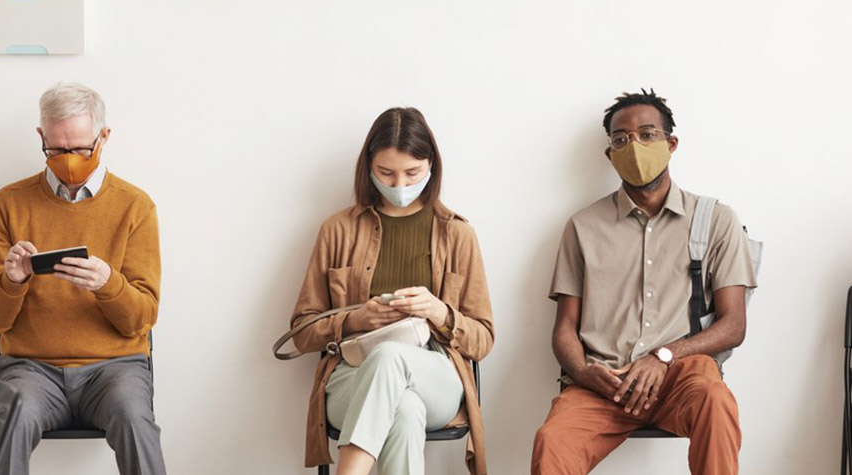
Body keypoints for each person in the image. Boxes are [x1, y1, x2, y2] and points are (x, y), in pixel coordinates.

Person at [531, 89, 757, 475]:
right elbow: (565, 328)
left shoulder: (716, 219)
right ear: (610, 154)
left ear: (670, 144)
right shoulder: (582, 227)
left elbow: (733, 326)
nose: (634, 146)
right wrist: (584, 373)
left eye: (647, 135)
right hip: (605, 380)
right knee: (552, 442)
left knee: (715, 402)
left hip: (680, 375)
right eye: (621, 139)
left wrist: (663, 356)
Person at [0, 82, 166, 475]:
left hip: (115, 370)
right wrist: (12, 281)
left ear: (104, 136)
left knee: (134, 417)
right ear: (41, 137)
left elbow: (142, 318)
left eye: (80, 148)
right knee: (9, 419)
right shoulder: (8, 204)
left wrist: (108, 284)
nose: (69, 160)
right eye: (56, 150)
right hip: (30, 369)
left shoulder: (135, 206)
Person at [290, 107, 494, 474]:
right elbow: (303, 332)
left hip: (436, 376)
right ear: (369, 168)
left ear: (431, 165)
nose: (399, 185)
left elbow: (483, 340)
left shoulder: (457, 233)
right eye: (386, 173)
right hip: (351, 376)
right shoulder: (337, 229)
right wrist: (357, 318)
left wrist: (438, 312)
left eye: (412, 173)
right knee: (405, 409)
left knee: (390, 357)